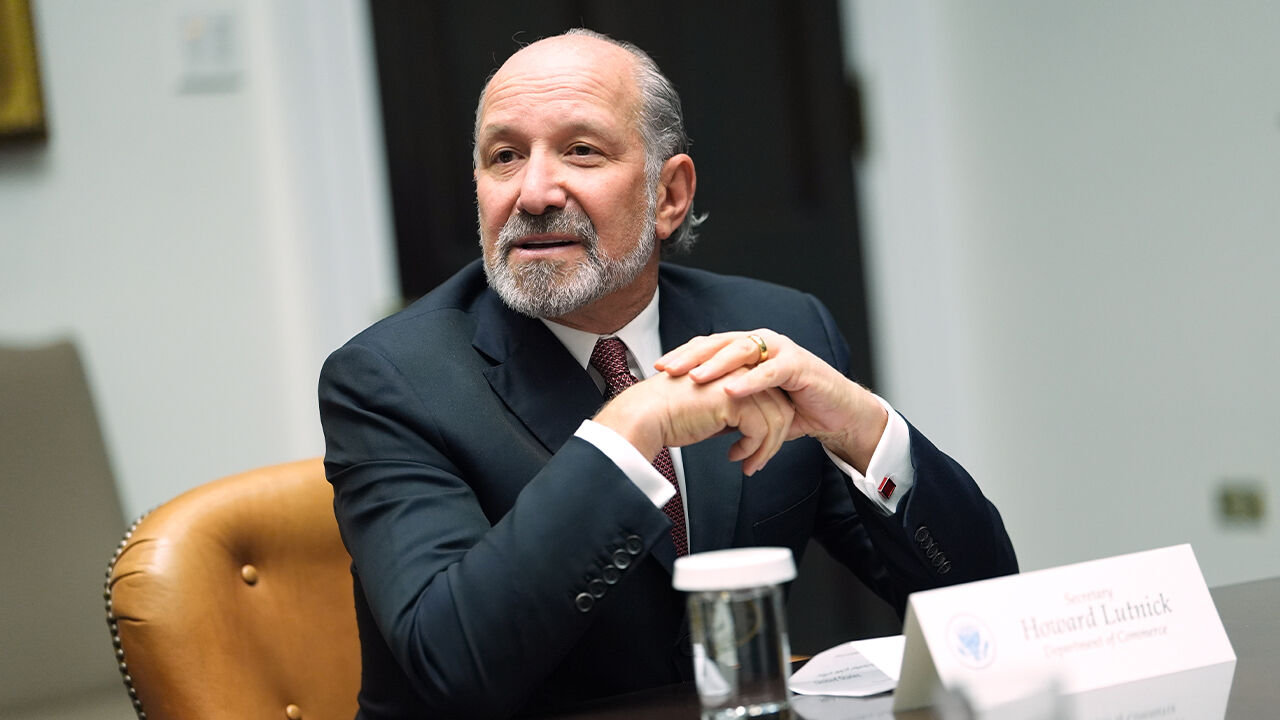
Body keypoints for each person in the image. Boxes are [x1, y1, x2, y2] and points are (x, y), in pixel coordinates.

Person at [319, 28, 1016, 720]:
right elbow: (453, 666)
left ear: (669, 194)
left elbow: (985, 612)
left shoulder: (777, 326)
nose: (532, 193)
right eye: (505, 156)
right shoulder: (391, 381)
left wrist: (865, 431)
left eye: (580, 151)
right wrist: (629, 427)